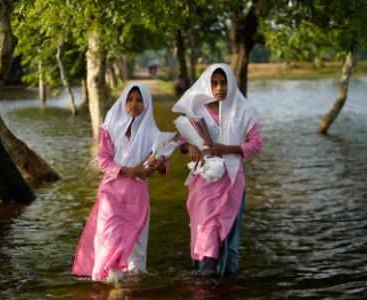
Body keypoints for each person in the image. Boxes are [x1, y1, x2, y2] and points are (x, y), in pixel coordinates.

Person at [172, 64, 263, 278]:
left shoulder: (242, 111)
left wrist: (227, 149)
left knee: (229, 236)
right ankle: (206, 277)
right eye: (214, 83)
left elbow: (256, 144)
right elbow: (182, 143)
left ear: (230, 84)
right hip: (203, 181)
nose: (219, 87)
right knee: (205, 229)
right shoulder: (197, 113)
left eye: (223, 83)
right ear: (207, 85)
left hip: (232, 181)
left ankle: (226, 281)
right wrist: (190, 147)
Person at [72, 84, 166, 282]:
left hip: (137, 196)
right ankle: (110, 286)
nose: (134, 104)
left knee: (137, 248)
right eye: (130, 99)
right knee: (110, 241)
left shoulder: (154, 134)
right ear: (123, 102)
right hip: (111, 194)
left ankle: (131, 288)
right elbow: (104, 161)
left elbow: (163, 163)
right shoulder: (111, 128)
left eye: (139, 100)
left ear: (147, 103)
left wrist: (158, 163)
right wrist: (131, 171)